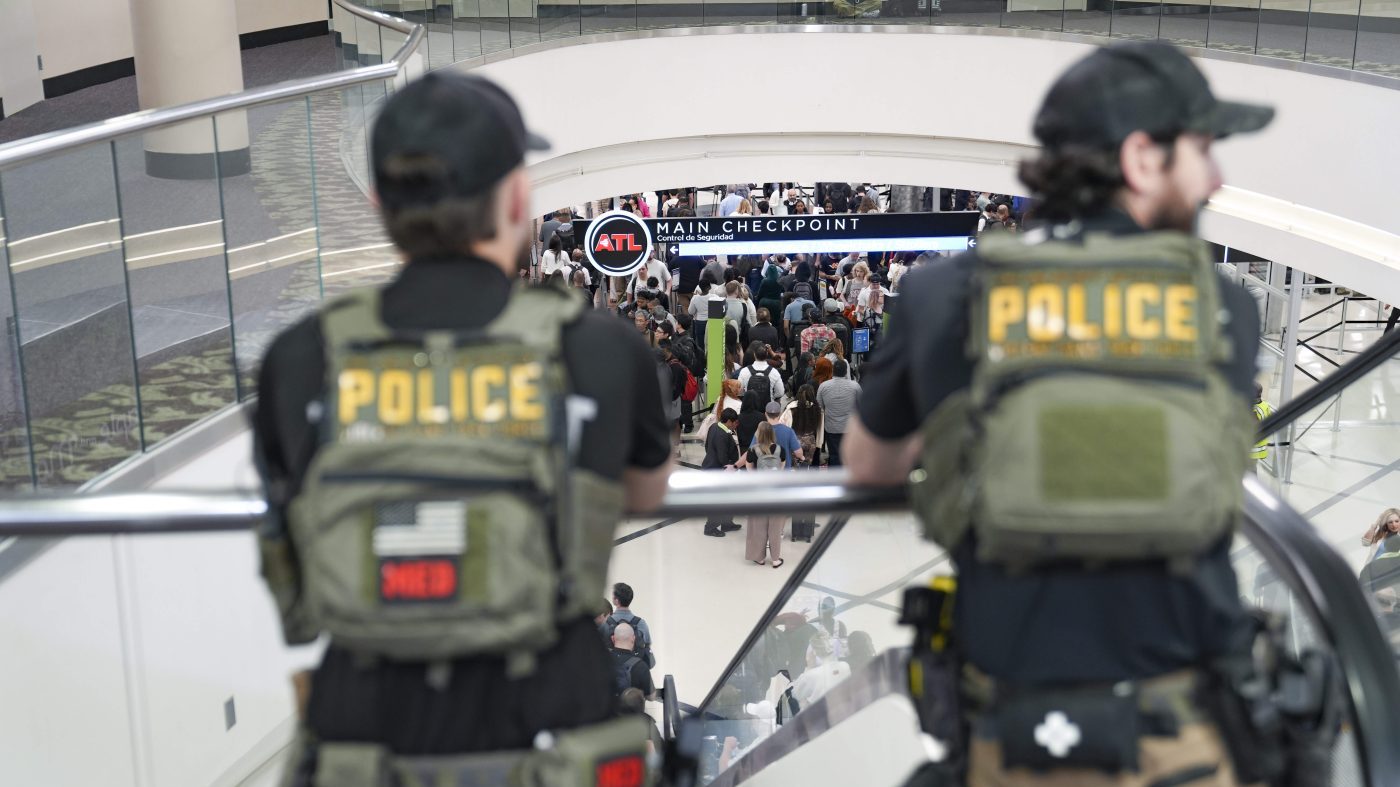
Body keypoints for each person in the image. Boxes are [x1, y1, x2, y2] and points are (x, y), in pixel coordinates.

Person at [845, 42, 1306, 787]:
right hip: (1187, 734)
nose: (1216, 177)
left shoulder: (943, 296)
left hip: (1016, 735)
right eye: (1202, 150)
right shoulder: (1223, 308)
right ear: (1142, 159)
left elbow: (871, 466)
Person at [252, 72, 669, 783]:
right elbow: (646, 493)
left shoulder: (301, 358)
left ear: (379, 203)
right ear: (515, 196)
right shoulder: (597, 347)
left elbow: (290, 517)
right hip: (551, 723)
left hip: (364, 730)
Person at [744, 421, 790, 568]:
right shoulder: (780, 450)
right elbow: (782, 469)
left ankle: (759, 557)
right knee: (775, 527)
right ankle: (775, 559)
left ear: (759, 433)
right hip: (776, 492)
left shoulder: (752, 450)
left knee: (758, 526)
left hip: (759, 493)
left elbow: (750, 472)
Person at [701, 408, 744, 537]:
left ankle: (726, 523)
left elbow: (707, 446)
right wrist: (731, 468)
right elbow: (722, 458)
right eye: (735, 422)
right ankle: (710, 528)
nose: (736, 425)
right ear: (729, 421)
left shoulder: (714, 427)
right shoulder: (723, 435)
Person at [815, 360, 860, 466]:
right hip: (850, 428)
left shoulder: (823, 386)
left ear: (833, 371)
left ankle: (834, 478)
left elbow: (819, 407)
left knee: (834, 455)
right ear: (846, 371)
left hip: (832, 427)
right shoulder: (855, 386)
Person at [607, 582, 656, 668]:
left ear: (616, 600)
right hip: (636, 671)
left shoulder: (606, 623)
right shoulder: (641, 623)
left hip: (611, 672)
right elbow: (647, 647)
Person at [754, 400, 804, 469]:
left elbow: (750, 451)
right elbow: (798, 453)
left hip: (765, 474)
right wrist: (802, 457)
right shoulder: (789, 431)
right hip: (784, 474)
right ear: (780, 414)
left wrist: (736, 465)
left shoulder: (760, 431)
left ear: (765, 414)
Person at [782, 383, 823, 468]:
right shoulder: (817, 408)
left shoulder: (791, 408)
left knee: (794, 467)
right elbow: (820, 428)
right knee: (806, 465)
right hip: (811, 441)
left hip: (795, 440)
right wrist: (819, 443)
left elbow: (782, 424)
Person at [610, 622, 655, 699]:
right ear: (633, 638)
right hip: (631, 710)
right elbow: (651, 697)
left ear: (613, 638)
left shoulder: (601, 660)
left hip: (605, 710)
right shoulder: (640, 666)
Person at [1250, 381, 1274, 474]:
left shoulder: (1254, 410)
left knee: (1250, 471)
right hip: (1260, 445)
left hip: (1252, 448)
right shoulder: (1265, 404)